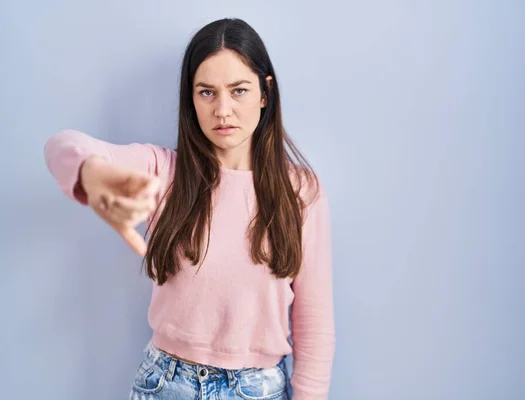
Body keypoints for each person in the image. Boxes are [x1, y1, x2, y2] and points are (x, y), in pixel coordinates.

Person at [43, 17, 335, 400]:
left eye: (239, 90)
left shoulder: (300, 192)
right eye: (207, 92)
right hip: (166, 384)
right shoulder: (162, 171)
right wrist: (93, 173)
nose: (223, 110)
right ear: (191, 98)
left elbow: (314, 324)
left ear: (265, 93)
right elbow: (61, 146)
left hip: (259, 389)